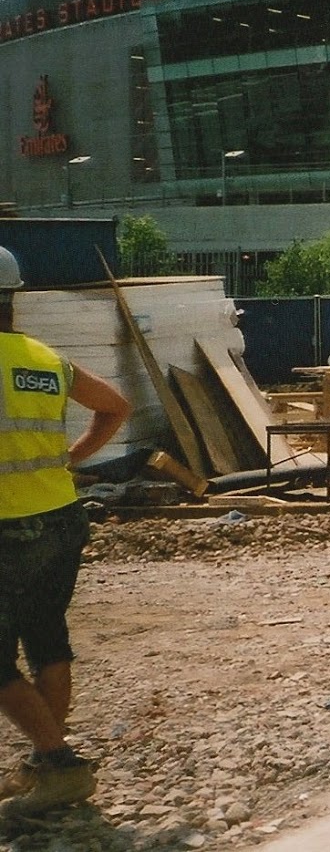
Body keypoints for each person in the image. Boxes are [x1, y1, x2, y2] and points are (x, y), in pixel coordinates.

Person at [0, 246, 129, 819]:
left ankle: (62, 764)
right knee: (47, 639)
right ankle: (44, 766)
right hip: (61, 517)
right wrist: (69, 460)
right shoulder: (46, 359)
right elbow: (115, 407)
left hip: (5, 528)